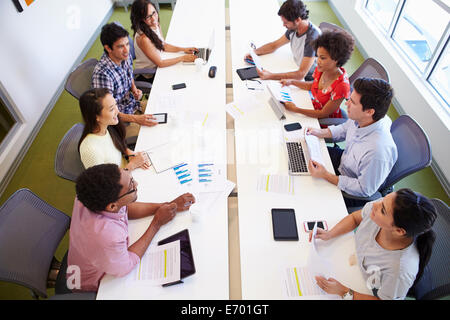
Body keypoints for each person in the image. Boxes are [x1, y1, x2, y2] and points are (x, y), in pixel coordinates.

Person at [67, 163, 196, 292]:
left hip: (87, 258)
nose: (137, 184)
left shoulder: (87, 196)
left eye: (131, 178)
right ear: (112, 206)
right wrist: (157, 223)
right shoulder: (107, 235)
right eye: (131, 186)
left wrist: (166, 205)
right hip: (93, 285)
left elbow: (125, 207)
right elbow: (127, 265)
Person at [310, 189, 437, 300]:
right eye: (383, 201)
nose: (375, 204)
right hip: (354, 263)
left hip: (367, 289)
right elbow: (355, 218)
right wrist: (330, 234)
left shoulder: (399, 270)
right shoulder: (382, 207)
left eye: (382, 210)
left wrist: (344, 292)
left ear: (399, 231)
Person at [306, 78, 397, 207]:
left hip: (352, 189)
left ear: (369, 111)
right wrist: (319, 132)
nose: (346, 103)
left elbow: (364, 189)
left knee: (306, 191)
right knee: (304, 153)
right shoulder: (363, 119)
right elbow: (344, 129)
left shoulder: (378, 151)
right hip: (345, 162)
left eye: (352, 102)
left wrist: (326, 175)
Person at [92, 22, 157, 140]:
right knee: (152, 135)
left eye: (127, 44)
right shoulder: (102, 75)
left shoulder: (124, 56)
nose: (127, 50)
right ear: (108, 48)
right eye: (121, 46)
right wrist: (136, 119)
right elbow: (108, 113)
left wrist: (134, 89)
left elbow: (129, 74)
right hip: (119, 121)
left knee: (161, 111)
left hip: (133, 105)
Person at [280, 30, 354, 119]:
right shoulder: (322, 68)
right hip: (311, 107)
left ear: (337, 59)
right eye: (317, 56)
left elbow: (323, 114)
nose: (317, 61)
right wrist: (291, 82)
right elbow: (313, 85)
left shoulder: (342, 86)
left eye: (322, 58)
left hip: (322, 122)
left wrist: (296, 109)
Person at [244, 0, 320, 81]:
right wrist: (254, 52)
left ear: (298, 20)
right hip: (296, 66)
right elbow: (274, 45)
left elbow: (301, 74)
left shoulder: (312, 38)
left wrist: (270, 76)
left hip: (310, 78)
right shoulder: (294, 28)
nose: (284, 25)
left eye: (286, 23)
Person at [78, 88, 150, 171]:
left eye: (116, 105)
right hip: (121, 180)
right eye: (112, 109)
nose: (117, 110)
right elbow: (106, 183)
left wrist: (128, 153)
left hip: (127, 170)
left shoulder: (107, 127)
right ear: (96, 117)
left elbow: (116, 146)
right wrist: (132, 165)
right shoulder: (90, 151)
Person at [130, 0, 198, 82]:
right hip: (150, 74)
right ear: (141, 19)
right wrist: (183, 58)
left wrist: (183, 49)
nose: (153, 18)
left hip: (159, 62)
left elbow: (163, 45)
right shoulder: (144, 39)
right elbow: (160, 63)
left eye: (154, 13)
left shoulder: (155, 24)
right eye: (148, 17)